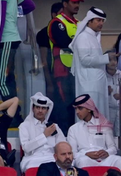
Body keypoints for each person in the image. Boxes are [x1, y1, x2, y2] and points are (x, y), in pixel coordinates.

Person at [72, 8, 114, 123]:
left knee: (99, 117)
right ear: (89, 21)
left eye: (102, 21)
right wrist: (107, 57)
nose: (101, 23)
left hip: (96, 84)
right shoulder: (83, 37)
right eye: (98, 20)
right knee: (89, 116)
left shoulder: (93, 37)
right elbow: (85, 60)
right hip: (89, 85)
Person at [67, 95, 121, 172]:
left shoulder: (103, 124)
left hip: (105, 160)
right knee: (82, 161)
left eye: (80, 108)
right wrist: (86, 154)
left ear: (89, 109)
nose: (77, 112)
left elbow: (113, 148)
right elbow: (73, 153)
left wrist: (106, 153)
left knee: (119, 160)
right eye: (76, 109)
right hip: (86, 159)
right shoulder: (73, 129)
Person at [47, 0, 80, 130]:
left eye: (78, 3)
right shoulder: (57, 23)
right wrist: (79, 41)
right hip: (61, 71)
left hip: (76, 71)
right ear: (65, 4)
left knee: (75, 106)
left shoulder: (79, 23)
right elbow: (63, 42)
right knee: (64, 107)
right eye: (74, 2)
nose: (77, 5)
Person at [19, 92, 66, 172]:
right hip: (32, 159)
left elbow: (63, 146)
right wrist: (44, 135)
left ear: (47, 110)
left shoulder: (54, 127)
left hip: (52, 158)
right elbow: (26, 148)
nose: (40, 110)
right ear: (33, 108)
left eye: (43, 108)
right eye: (37, 107)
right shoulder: (24, 126)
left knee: (68, 166)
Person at [0, 0, 21, 100]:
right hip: (8, 38)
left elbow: (0, 16)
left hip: (4, 40)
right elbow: (28, 5)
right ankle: (13, 111)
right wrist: (12, 15)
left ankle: (11, 110)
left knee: (1, 81)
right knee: (8, 79)